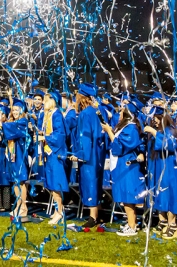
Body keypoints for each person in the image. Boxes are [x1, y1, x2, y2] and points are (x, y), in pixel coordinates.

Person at [103, 101, 146, 237]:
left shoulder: (131, 128)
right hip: (122, 164)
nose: (119, 113)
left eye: (121, 111)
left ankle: (132, 226)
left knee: (129, 196)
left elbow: (119, 147)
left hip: (128, 165)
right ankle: (130, 223)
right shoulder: (126, 127)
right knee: (125, 195)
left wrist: (109, 131)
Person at [69, 83, 104, 229]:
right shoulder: (93, 111)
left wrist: (79, 154)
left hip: (89, 155)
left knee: (90, 182)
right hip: (96, 152)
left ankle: (93, 217)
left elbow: (85, 137)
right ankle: (98, 213)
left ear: (82, 97)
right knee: (95, 181)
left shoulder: (85, 113)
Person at [144, 107, 177, 239]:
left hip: (169, 169)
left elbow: (169, 146)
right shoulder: (160, 130)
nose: (153, 120)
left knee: (169, 194)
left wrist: (154, 133)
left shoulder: (170, 130)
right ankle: (162, 221)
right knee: (158, 193)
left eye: (156, 117)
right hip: (157, 167)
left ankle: (173, 225)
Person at [40, 90, 69, 224]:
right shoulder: (48, 115)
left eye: (46, 100)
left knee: (56, 183)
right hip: (49, 152)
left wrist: (44, 137)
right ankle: (57, 210)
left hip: (55, 153)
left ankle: (60, 212)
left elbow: (60, 135)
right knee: (51, 183)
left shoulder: (56, 114)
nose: (43, 103)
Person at [2, 99, 30, 221]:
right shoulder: (13, 122)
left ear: (22, 110)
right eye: (12, 110)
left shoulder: (23, 121)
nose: (14, 112)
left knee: (21, 181)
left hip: (20, 155)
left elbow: (12, 129)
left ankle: (24, 206)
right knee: (15, 181)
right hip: (12, 155)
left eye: (16, 109)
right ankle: (18, 204)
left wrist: (1, 124)